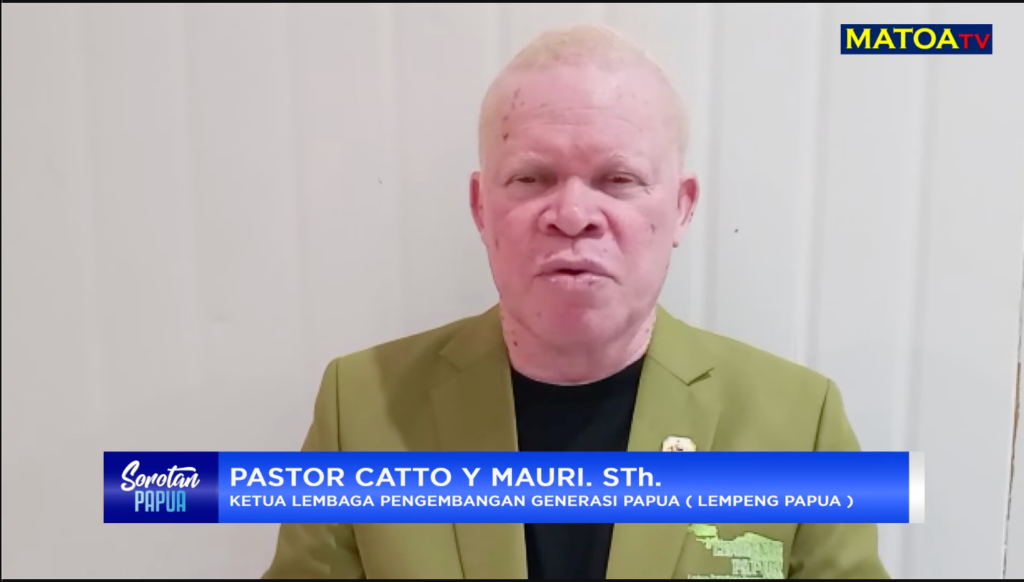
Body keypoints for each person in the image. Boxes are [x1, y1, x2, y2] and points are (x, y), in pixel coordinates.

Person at [263, 24, 889, 580]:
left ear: (681, 207)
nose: (571, 215)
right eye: (531, 178)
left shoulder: (802, 424)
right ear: (482, 207)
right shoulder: (360, 409)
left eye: (618, 179)